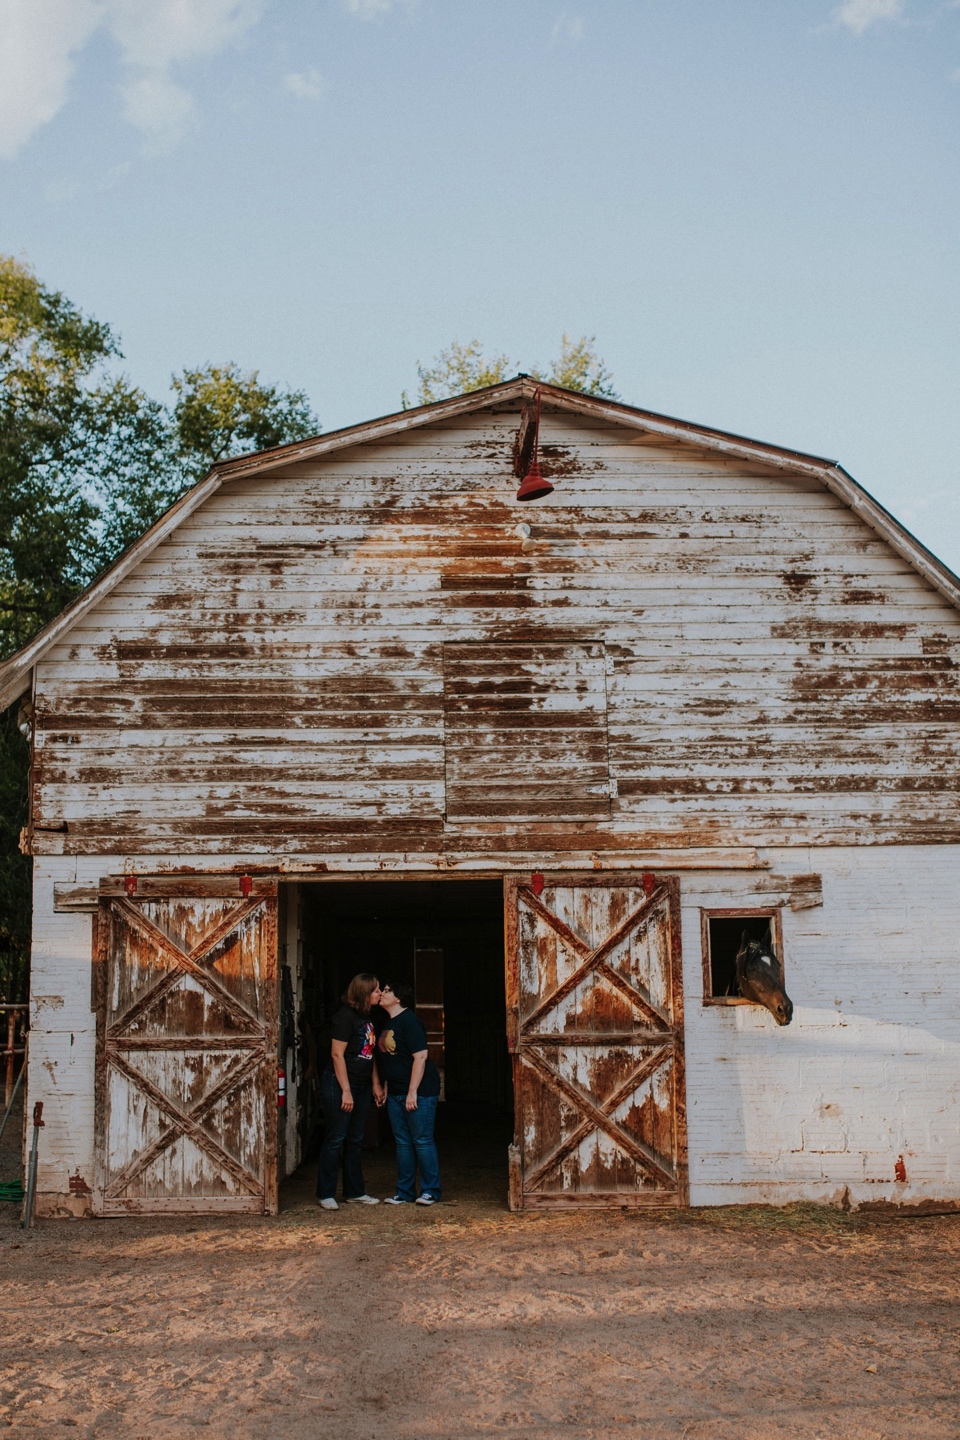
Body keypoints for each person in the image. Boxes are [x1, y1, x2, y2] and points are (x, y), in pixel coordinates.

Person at [316, 973, 385, 1210]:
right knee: (336, 1138)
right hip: (340, 1085)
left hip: (362, 1085)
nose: (380, 994)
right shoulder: (344, 1017)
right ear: (364, 993)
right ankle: (325, 1193)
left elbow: (369, 1052)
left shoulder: (366, 1017)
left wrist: (375, 1083)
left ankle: (355, 1192)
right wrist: (346, 1091)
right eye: (376, 990)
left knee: (355, 1139)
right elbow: (337, 1055)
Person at [377, 982, 442, 1206]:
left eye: (386, 990)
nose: (382, 994)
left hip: (419, 1092)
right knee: (403, 1142)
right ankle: (404, 1192)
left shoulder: (410, 1022)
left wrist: (412, 1091)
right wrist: (387, 1085)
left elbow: (420, 1057)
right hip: (396, 1091)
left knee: (422, 1140)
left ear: (399, 998)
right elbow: (394, 1058)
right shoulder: (390, 1022)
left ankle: (430, 1191)